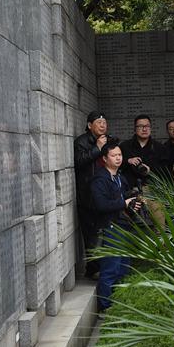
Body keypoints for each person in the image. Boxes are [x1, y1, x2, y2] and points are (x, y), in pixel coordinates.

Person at [90, 142, 142, 311]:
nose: (118, 158)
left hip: (124, 226)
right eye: (114, 155)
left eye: (120, 154)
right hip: (110, 228)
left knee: (123, 268)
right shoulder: (99, 179)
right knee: (110, 269)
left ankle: (119, 304)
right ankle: (105, 308)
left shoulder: (120, 176)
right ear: (104, 159)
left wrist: (132, 203)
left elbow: (124, 199)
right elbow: (101, 205)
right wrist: (123, 203)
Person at [74, 111, 110, 276]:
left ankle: (103, 267)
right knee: (90, 235)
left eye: (104, 122)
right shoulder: (81, 141)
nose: (103, 125)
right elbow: (80, 162)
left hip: (105, 193)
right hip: (88, 196)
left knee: (105, 232)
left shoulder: (108, 140)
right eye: (99, 122)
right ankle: (93, 269)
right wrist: (98, 148)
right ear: (89, 125)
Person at [119, 114, 169, 187]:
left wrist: (150, 170)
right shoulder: (124, 146)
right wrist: (128, 161)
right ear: (135, 129)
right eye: (140, 126)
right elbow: (115, 165)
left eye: (147, 126)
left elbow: (166, 170)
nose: (144, 129)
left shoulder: (160, 147)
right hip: (129, 188)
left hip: (153, 189)